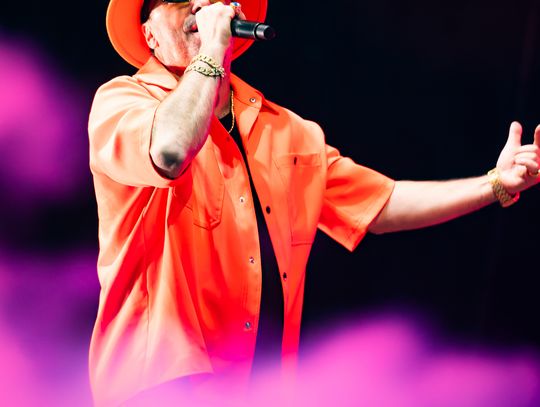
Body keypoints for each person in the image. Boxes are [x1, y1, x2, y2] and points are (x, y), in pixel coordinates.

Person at [88, 0, 540, 404]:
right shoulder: (122, 102)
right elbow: (170, 150)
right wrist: (210, 53)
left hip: (258, 387)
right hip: (157, 385)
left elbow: (380, 204)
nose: (203, 5)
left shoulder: (286, 131)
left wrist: (495, 184)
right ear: (149, 34)